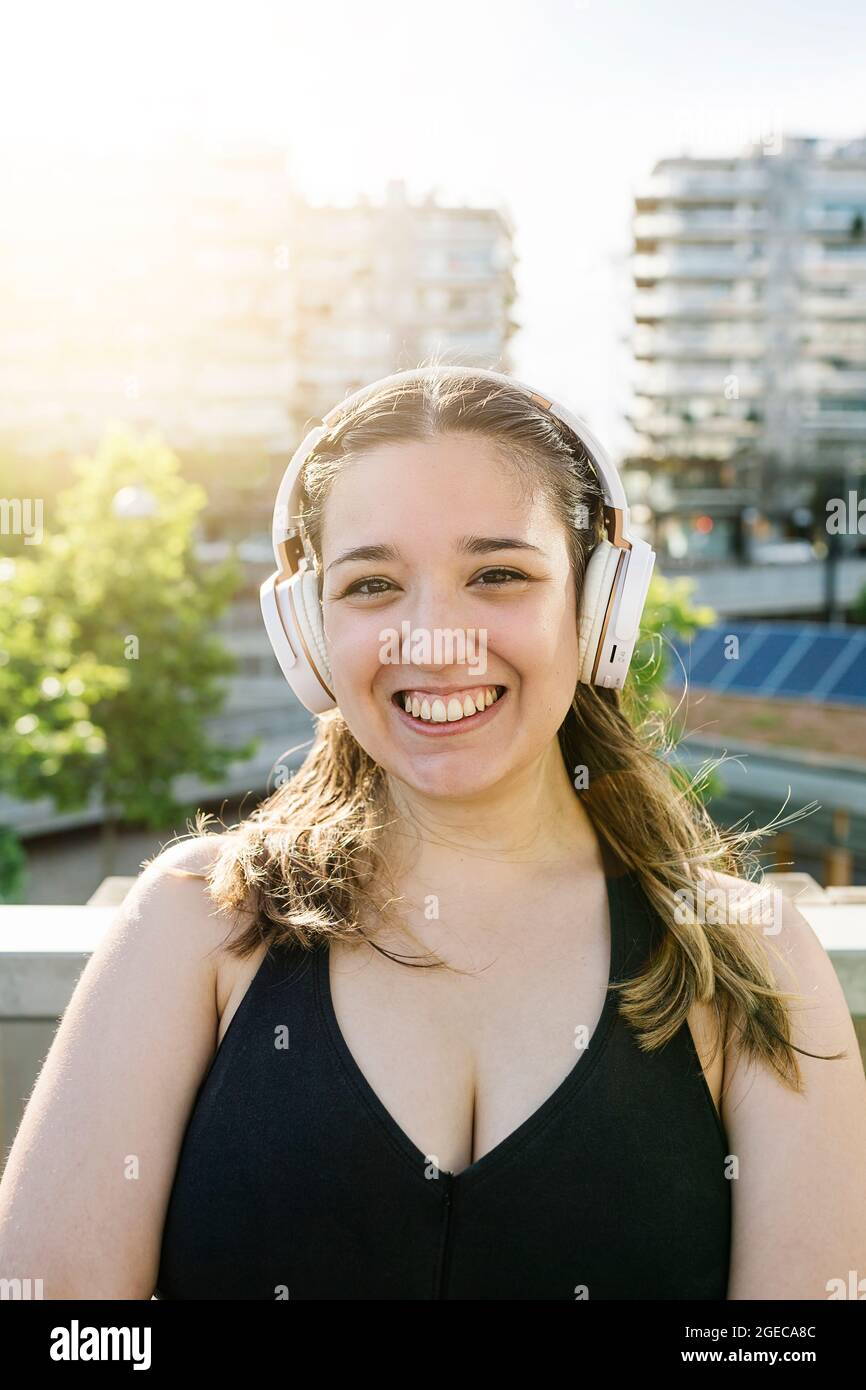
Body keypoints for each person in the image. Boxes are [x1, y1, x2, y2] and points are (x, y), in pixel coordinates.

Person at [1, 365, 864, 1300]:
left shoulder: (754, 961)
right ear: (308, 633)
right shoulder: (191, 925)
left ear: (596, 608)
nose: (433, 637)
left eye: (497, 574)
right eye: (372, 584)